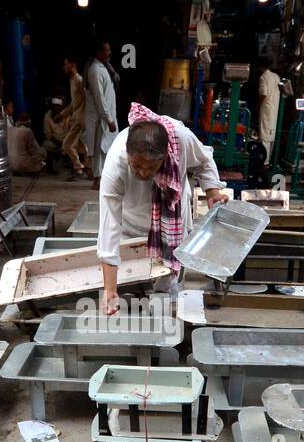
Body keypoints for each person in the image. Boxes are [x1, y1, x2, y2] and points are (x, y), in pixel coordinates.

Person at [97, 104, 228, 314]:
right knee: (133, 285)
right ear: (128, 154)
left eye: (151, 167)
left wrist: (212, 192)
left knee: (169, 289)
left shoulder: (181, 139)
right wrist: (110, 289)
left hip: (173, 225)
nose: (142, 172)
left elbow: (204, 160)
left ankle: (169, 331)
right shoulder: (116, 161)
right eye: (136, 165)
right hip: (132, 225)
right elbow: (108, 226)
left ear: (165, 157)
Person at [84, 41, 118, 187]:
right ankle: (97, 180)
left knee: (106, 148)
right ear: (99, 53)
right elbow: (99, 98)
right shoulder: (95, 70)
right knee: (99, 148)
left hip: (106, 117)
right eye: (106, 50)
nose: (109, 53)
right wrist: (109, 119)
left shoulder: (102, 68)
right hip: (101, 118)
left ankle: (101, 178)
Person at [58, 56, 89, 179]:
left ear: (73, 65)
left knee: (67, 144)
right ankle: (87, 167)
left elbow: (88, 99)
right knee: (82, 146)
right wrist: (63, 114)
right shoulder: (72, 81)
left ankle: (79, 166)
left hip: (80, 119)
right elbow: (74, 103)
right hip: (78, 118)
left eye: (66, 64)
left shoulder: (79, 81)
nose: (64, 67)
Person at [255, 58, 281, 163]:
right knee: (271, 133)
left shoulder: (263, 77)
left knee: (265, 134)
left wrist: (257, 105)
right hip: (275, 107)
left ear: (260, 66)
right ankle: (269, 159)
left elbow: (263, 94)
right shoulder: (276, 76)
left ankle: (264, 161)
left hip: (266, 108)